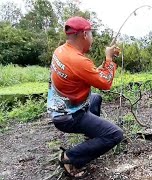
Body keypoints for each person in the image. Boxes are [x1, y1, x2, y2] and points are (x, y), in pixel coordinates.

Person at [47, 16, 124, 178]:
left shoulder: (61, 51)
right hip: (69, 117)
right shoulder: (78, 60)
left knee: (95, 98)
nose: (92, 38)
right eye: (91, 34)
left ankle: (91, 138)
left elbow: (87, 73)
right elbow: (106, 83)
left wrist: (106, 63)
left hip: (59, 108)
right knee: (115, 134)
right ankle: (70, 157)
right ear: (83, 34)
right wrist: (109, 59)